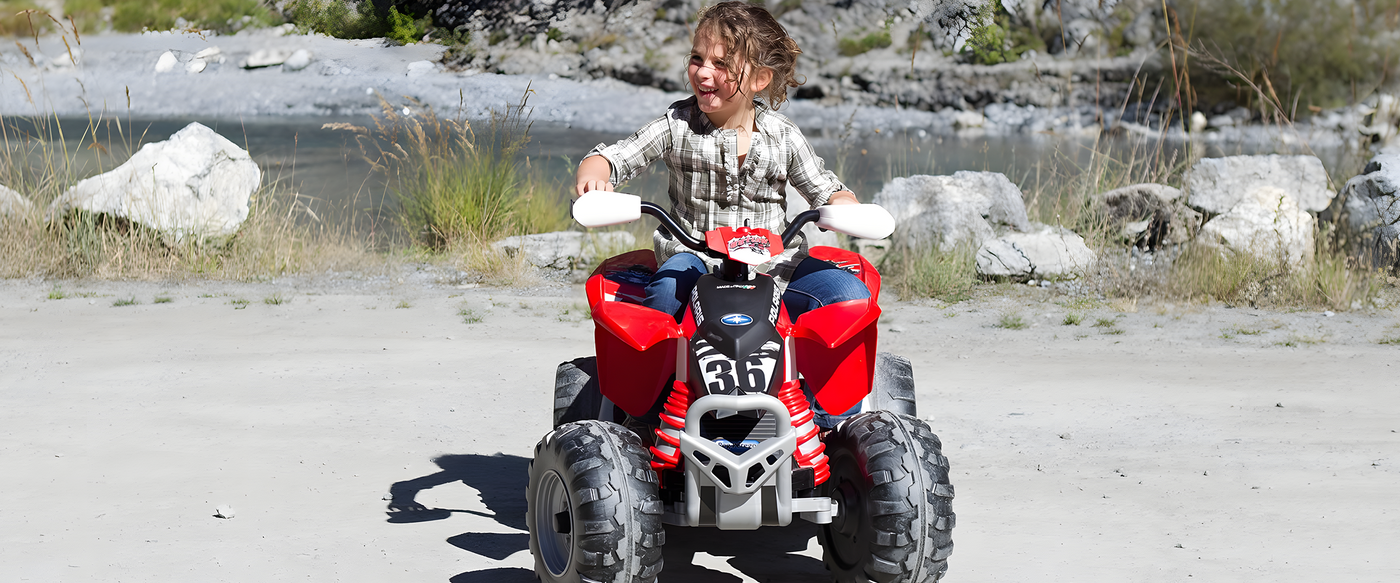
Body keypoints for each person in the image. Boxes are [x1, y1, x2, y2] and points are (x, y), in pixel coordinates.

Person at [574, 0, 868, 323]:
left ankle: (809, 370)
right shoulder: (677, 125)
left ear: (759, 79)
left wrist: (842, 204)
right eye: (697, 58)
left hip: (776, 265)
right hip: (695, 259)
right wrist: (596, 175)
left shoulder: (783, 136)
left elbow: (826, 189)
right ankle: (660, 372)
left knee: (848, 297)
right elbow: (613, 158)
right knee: (665, 296)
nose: (703, 72)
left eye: (721, 64)